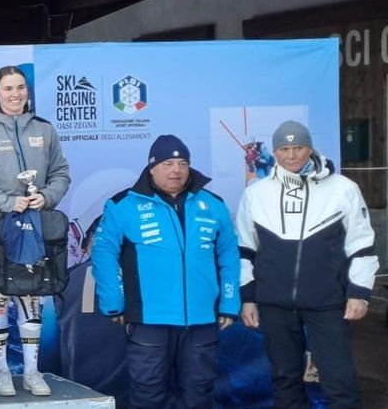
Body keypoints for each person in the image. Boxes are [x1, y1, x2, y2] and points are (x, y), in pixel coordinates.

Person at [91, 134, 240, 408]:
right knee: (148, 394)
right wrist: (113, 303)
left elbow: (229, 253)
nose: (176, 170)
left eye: (182, 163)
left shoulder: (213, 203)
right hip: (150, 320)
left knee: (200, 392)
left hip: (201, 319)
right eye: (168, 164)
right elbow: (103, 254)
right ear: (152, 168)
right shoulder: (123, 205)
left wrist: (230, 302)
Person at [237, 120, 378, 409]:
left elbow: (362, 245)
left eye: (298, 147)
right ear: (274, 152)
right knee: (284, 379)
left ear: (310, 148)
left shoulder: (343, 189)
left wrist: (359, 293)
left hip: (327, 302)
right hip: (275, 304)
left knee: (339, 380)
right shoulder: (256, 193)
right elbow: (244, 249)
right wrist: (248, 298)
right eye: (284, 148)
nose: (291, 155)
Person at [0, 65, 70, 397]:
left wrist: (45, 196)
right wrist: (6, 202)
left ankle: (33, 372)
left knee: (32, 292)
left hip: (37, 223)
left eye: (21, 87)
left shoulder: (44, 129)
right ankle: (3, 370)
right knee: (0, 292)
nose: (15, 94)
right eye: (8, 88)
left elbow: (61, 171)